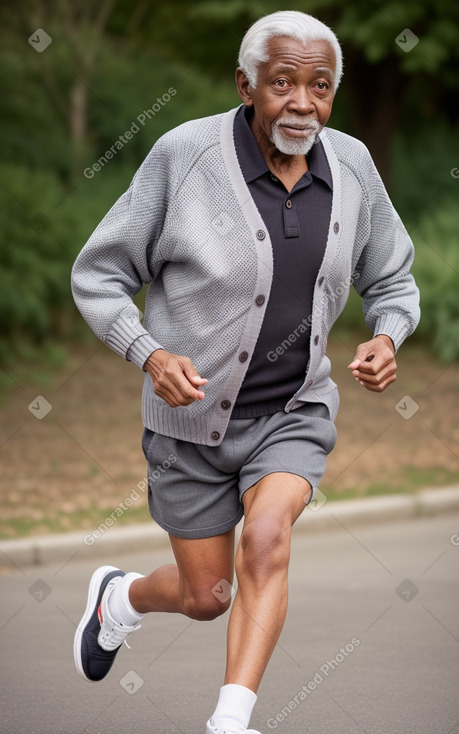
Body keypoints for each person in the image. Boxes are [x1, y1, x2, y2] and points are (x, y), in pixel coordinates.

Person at [71, 10, 420, 734]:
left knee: (267, 539)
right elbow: (100, 276)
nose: (301, 102)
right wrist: (150, 353)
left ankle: (230, 722)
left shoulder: (350, 167)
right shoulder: (184, 156)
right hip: (189, 427)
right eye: (282, 82)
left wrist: (386, 337)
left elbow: (391, 280)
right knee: (207, 596)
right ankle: (120, 600)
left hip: (292, 412)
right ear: (246, 84)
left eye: (318, 86)